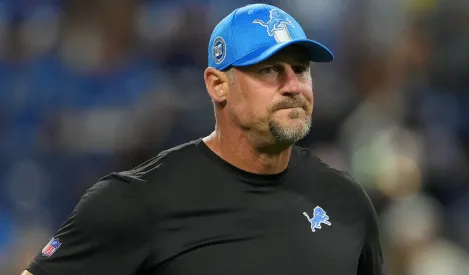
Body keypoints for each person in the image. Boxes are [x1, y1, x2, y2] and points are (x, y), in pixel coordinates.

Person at [22, 3, 386, 275]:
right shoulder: (138, 201)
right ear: (217, 85)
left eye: (301, 69)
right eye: (270, 69)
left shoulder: (347, 203)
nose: (293, 86)